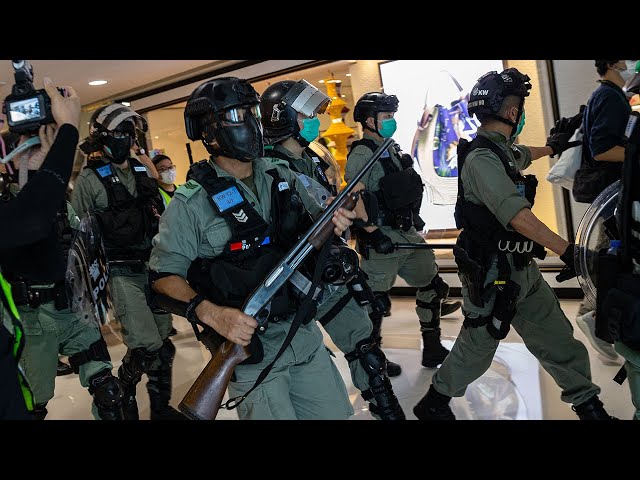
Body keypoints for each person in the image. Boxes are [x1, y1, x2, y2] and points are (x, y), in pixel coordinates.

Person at [149, 76, 359, 420]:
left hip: (302, 335)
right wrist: (212, 314)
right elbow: (161, 279)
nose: (251, 123)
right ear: (209, 132)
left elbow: (318, 229)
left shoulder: (281, 175)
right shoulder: (190, 204)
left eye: (253, 113)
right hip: (252, 350)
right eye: (238, 115)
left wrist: (336, 222)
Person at [412, 67, 615, 420]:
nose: (521, 114)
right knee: (479, 344)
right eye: (520, 107)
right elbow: (518, 217)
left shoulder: (500, 149)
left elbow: (523, 154)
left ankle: (589, 407)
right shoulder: (481, 159)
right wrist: (568, 251)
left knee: (558, 339)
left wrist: (554, 146)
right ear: (511, 112)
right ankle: (434, 401)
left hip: (522, 268)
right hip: (492, 273)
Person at [259, 79, 405, 418]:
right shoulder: (267, 168)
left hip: (326, 268)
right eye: (306, 115)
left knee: (365, 347)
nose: (314, 120)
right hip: (292, 284)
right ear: (284, 118)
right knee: (298, 374)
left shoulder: (310, 158)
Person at [0, 78, 123, 420]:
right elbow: (28, 222)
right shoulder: (12, 207)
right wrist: (69, 128)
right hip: (32, 319)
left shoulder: (54, 201)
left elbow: (78, 242)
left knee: (109, 393)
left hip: (71, 309)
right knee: (29, 406)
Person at [71, 103, 183, 420]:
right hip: (119, 272)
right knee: (146, 346)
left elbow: (159, 209)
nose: (125, 138)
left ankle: (160, 409)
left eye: (129, 133)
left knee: (163, 344)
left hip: (153, 269)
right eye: (118, 133)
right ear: (102, 137)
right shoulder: (89, 180)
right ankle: (121, 396)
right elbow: (78, 233)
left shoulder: (141, 170)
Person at [345, 91, 461, 375]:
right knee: (375, 303)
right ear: (369, 121)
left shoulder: (390, 147)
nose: (391, 121)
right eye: (386, 116)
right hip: (381, 238)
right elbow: (354, 196)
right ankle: (374, 361)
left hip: (406, 234)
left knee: (432, 286)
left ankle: (432, 347)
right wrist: (372, 233)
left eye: (392, 116)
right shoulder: (362, 153)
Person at [572, 60, 634, 365]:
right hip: (611, 192)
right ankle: (592, 314)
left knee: (612, 253)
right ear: (611, 64)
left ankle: (596, 313)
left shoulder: (611, 94)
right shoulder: (608, 96)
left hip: (615, 191)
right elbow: (602, 149)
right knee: (610, 254)